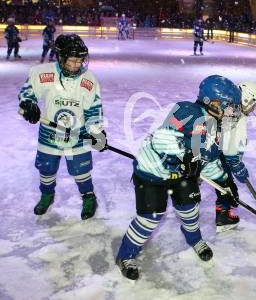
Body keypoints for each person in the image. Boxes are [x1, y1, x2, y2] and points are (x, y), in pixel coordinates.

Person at [115, 75, 242, 280]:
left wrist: (225, 184)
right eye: (229, 107)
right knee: (149, 219)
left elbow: (208, 160)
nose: (232, 112)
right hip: (153, 172)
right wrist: (186, 154)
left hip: (182, 174)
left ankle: (195, 240)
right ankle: (125, 255)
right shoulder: (185, 110)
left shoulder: (215, 127)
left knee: (190, 212)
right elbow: (162, 138)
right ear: (213, 102)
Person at [18, 34, 106, 220]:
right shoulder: (42, 73)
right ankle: (47, 195)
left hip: (78, 134)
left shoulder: (88, 79)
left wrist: (96, 131)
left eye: (80, 61)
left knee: (81, 170)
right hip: (49, 134)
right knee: (46, 168)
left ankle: (88, 197)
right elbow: (27, 93)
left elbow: (93, 108)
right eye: (72, 61)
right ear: (60, 57)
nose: (76, 65)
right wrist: (28, 105)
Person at [215, 81, 256, 232]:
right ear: (246, 99)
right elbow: (230, 150)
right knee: (226, 189)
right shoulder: (234, 116)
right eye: (254, 104)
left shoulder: (233, 111)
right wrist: (238, 167)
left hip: (217, 156)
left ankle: (224, 213)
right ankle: (223, 218)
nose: (254, 108)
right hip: (218, 158)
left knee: (226, 188)